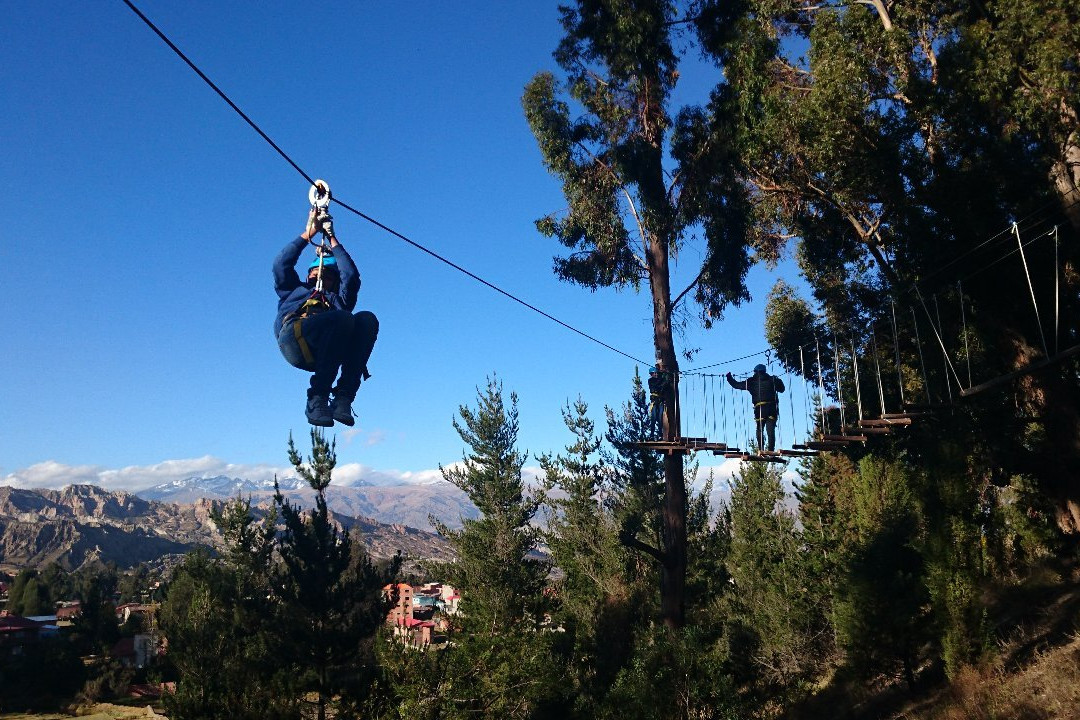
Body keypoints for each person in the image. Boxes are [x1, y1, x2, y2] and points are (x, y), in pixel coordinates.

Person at [274, 208, 378, 427]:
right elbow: (281, 265)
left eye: (328, 274)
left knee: (365, 319)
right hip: (295, 338)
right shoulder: (294, 290)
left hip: (326, 348)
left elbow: (350, 276)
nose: (319, 275)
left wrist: (332, 239)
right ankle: (317, 397)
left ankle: (343, 397)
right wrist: (308, 234)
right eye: (314, 272)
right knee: (342, 319)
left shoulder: (339, 300)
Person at [726, 364, 786, 452]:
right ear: (764, 371)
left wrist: (729, 377)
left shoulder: (751, 381)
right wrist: (778, 380)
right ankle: (770, 450)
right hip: (772, 408)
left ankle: (761, 449)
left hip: (760, 409)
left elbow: (736, 385)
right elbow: (782, 389)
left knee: (759, 428)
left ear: (755, 372)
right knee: (770, 430)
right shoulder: (772, 379)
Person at [647, 366, 671, 439]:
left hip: (660, 401)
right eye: (655, 373)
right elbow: (657, 385)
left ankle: (660, 434)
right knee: (654, 418)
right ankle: (652, 434)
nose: (656, 374)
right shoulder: (650, 380)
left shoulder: (660, 379)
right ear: (652, 374)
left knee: (660, 418)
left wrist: (666, 374)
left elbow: (665, 383)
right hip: (654, 401)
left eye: (656, 373)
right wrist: (663, 373)